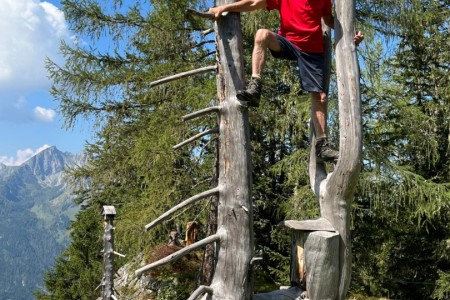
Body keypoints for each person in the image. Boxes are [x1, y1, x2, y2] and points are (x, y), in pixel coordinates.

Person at [209, 0, 364, 162]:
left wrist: (351, 33)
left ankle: (321, 145)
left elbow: (328, 20)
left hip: (312, 51)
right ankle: (255, 86)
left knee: (320, 97)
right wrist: (224, 8)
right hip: (288, 42)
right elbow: (254, 3)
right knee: (262, 34)